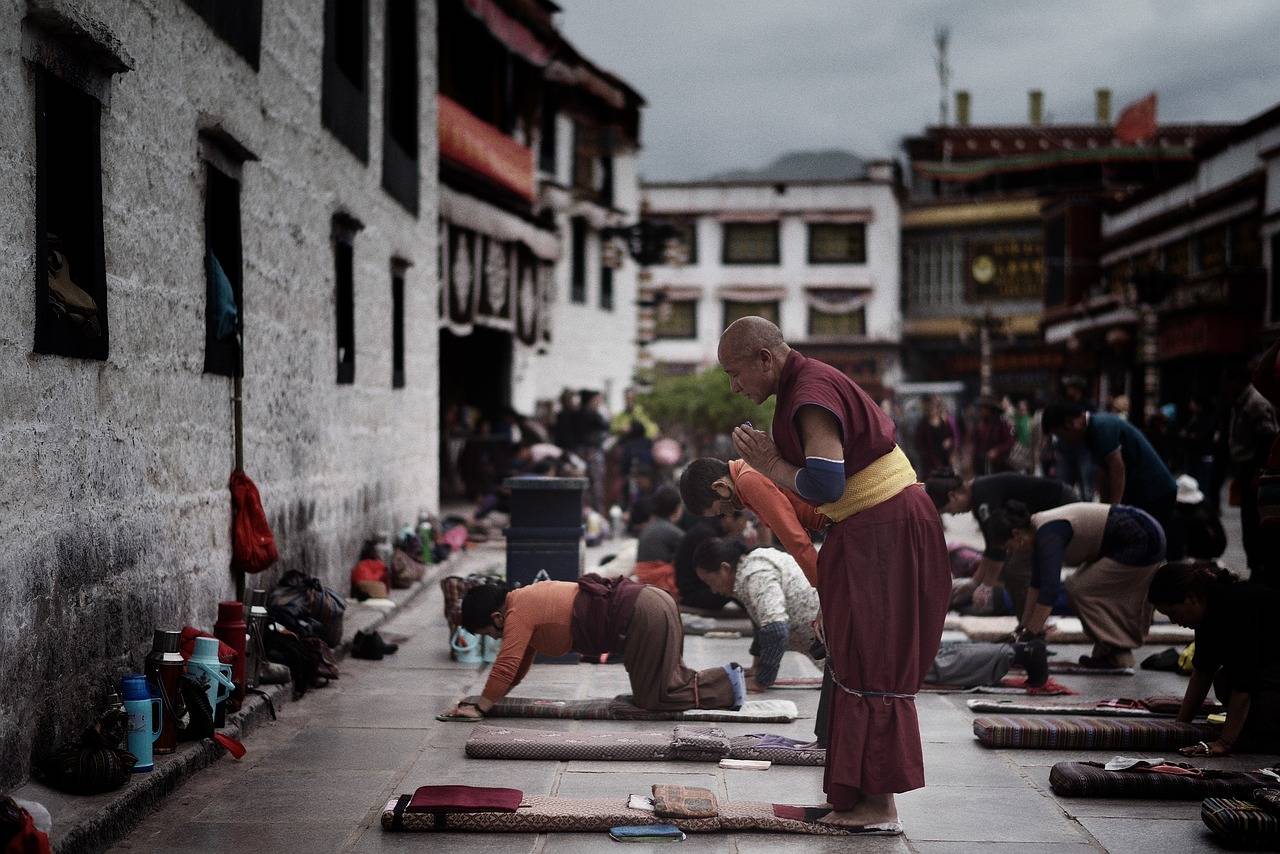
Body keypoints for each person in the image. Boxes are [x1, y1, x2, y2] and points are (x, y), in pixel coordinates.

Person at [716, 316, 949, 833]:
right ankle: (855, 798)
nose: (735, 387)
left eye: (735, 373)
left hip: (884, 528)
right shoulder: (803, 383)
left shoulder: (811, 390)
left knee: (873, 657)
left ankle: (878, 805)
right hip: (868, 529)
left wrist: (772, 465)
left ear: (765, 359)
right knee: (853, 654)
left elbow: (825, 482)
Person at [446, 577, 742, 719]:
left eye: (489, 634)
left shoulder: (517, 612)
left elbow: (506, 664)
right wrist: (487, 702)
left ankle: (727, 683)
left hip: (644, 614)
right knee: (664, 683)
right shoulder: (523, 601)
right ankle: (725, 682)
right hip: (651, 604)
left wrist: (481, 707)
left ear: (496, 618)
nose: (495, 640)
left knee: (656, 698)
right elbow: (517, 667)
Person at [998, 499, 1166, 669]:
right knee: (1082, 585)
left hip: (1144, 538)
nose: (1010, 553)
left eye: (1008, 548)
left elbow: (1049, 591)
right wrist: (1021, 628)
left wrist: (1031, 635)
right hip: (1136, 533)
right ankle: (1109, 650)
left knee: (1078, 588)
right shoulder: (1037, 530)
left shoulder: (1047, 535)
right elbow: (1036, 585)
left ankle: (1118, 650)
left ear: (1016, 535)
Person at [1147, 562, 1280, 755]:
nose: (1174, 621)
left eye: (1173, 613)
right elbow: (1202, 673)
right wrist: (1180, 727)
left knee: (1251, 700)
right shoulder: (1209, 610)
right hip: (1267, 672)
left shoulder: (1237, 607)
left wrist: (1224, 743)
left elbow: (1243, 684)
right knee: (1223, 681)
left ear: (1191, 598)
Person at [924, 470, 1078, 618]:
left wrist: (986, 586)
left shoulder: (983, 499)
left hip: (1063, 506)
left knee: (1017, 570)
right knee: (1015, 570)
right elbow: (992, 547)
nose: (953, 514)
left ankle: (1034, 626)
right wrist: (975, 582)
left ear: (953, 496)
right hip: (1045, 516)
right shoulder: (979, 498)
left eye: (947, 510)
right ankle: (1029, 625)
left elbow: (997, 550)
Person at [1042, 402, 1183, 560]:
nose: (1063, 440)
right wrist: (1103, 511)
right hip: (1144, 491)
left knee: (1151, 545)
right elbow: (1103, 474)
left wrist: (1114, 511)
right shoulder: (1090, 434)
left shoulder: (1101, 427)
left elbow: (1117, 469)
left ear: (1070, 423)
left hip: (1156, 491)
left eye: (1060, 434)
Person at [679, 457, 822, 580]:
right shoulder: (745, 470)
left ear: (720, 487)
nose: (728, 514)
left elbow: (793, 537)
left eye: (721, 510)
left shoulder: (747, 481)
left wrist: (820, 583)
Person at [1227, 364, 1279, 578]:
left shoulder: (1255, 403)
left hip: (1256, 470)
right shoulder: (1240, 402)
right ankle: (1256, 567)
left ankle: (1261, 569)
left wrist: (1258, 471)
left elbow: (1267, 438)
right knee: (1248, 523)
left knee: (1256, 524)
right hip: (1245, 468)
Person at [672, 510, 749, 611]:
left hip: (702, 587)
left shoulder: (710, 529)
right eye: (743, 521)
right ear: (729, 517)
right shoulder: (707, 535)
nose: (744, 526)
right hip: (694, 594)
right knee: (733, 583)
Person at [634, 485, 685, 599]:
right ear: (677, 508)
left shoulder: (647, 527)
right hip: (659, 585)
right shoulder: (674, 533)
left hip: (642, 581)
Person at [574, 390, 610, 512]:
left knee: (584, 484)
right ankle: (596, 513)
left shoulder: (578, 413)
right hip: (592, 451)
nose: (599, 402)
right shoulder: (592, 414)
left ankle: (584, 512)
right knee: (596, 485)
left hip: (581, 452)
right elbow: (606, 425)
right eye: (597, 399)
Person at [971, 395, 1015, 475]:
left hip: (998, 465)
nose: (981, 410)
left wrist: (997, 450)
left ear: (990, 409)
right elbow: (975, 445)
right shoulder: (979, 424)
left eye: (984, 408)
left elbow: (1010, 442)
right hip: (981, 464)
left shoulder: (1002, 424)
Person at [913, 395, 955, 475]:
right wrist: (925, 455)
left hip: (944, 459)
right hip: (930, 462)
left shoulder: (945, 422)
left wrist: (950, 442)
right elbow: (918, 443)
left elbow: (952, 437)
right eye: (930, 407)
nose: (932, 410)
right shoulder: (923, 425)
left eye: (934, 407)